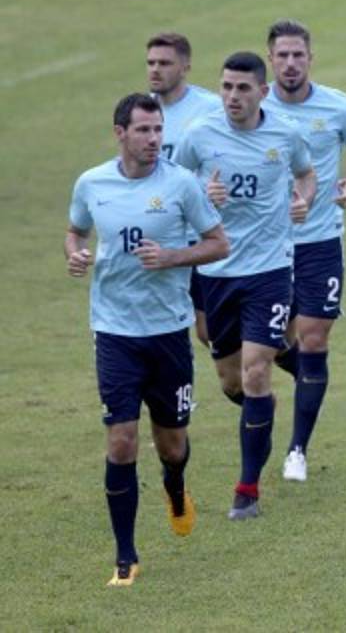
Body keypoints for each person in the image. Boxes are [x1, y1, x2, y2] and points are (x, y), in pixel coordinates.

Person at [65, 93, 229, 586]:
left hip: (168, 334)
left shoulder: (181, 184)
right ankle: (125, 555)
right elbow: (75, 231)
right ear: (120, 132)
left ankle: (175, 488)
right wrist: (75, 254)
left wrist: (173, 257)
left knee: (172, 446)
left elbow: (219, 243)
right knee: (120, 441)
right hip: (114, 332)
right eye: (143, 131)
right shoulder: (92, 183)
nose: (154, 139)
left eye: (158, 130)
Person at [174, 52, 316, 519]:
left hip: (269, 271)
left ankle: (247, 491)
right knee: (231, 380)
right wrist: (202, 193)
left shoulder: (285, 135)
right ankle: (290, 368)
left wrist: (303, 201)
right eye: (226, 88)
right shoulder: (200, 135)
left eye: (242, 89)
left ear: (262, 91)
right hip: (215, 272)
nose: (233, 97)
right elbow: (176, 183)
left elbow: (305, 173)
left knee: (256, 371)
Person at [263, 19, 346, 483]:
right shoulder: (253, 107)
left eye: (299, 55)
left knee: (314, 338)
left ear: (311, 58)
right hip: (264, 247)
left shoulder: (338, 106)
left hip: (320, 241)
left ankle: (297, 450)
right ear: (270, 59)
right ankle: (307, 377)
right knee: (258, 347)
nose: (291, 64)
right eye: (283, 56)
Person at [145, 33, 222, 347]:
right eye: (150, 62)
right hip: (159, 235)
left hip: (199, 236)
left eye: (164, 63)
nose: (155, 70)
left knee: (209, 332)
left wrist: (216, 189)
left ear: (185, 65)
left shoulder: (209, 109)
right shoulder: (143, 111)